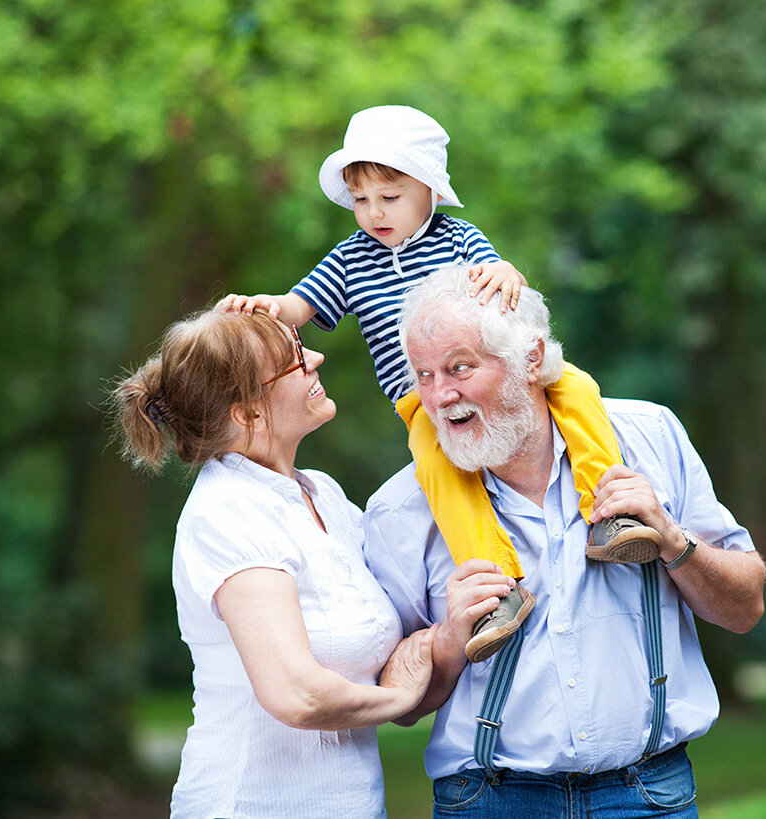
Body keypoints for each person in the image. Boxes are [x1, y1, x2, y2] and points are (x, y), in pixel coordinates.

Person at [222, 105, 661, 663]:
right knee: (441, 471)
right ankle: (496, 582)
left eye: (390, 196)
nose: (374, 213)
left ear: (429, 190)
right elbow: (300, 304)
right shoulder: (351, 259)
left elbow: (497, 273)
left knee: (578, 391)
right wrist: (270, 306)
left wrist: (506, 272)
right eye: (361, 200)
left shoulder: (459, 239)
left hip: (492, 373)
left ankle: (609, 512)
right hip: (419, 400)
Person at [362, 266, 766, 817]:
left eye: (459, 368)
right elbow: (399, 705)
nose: (439, 396)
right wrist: (450, 639)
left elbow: (746, 608)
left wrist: (673, 540)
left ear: (532, 360)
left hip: (649, 797)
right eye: (424, 376)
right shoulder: (398, 509)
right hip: (488, 802)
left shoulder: (651, 436)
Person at [112, 307, 434, 819]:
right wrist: (397, 698)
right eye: (294, 360)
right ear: (246, 412)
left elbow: (398, 654)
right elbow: (297, 694)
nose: (316, 358)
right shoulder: (227, 512)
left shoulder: (321, 495)